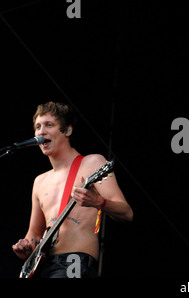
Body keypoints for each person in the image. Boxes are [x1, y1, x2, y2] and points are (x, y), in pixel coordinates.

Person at [12, 102, 133, 278]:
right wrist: (26, 247)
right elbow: (34, 233)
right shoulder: (39, 181)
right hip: (43, 267)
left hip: (74, 262)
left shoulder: (92, 163)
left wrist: (99, 202)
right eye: (38, 126)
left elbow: (127, 213)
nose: (41, 132)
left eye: (49, 125)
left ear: (67, 131)